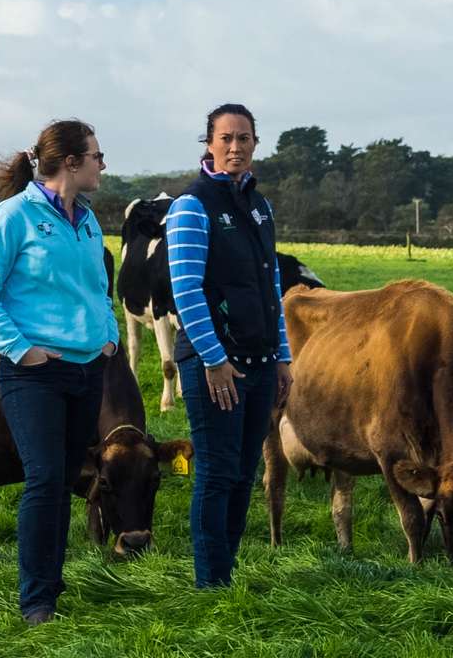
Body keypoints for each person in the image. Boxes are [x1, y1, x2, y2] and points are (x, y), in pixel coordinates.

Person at [0, 119, 119, 624]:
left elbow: (97, 287)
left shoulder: (88, 220)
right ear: (70, 163)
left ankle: (52, 584)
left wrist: (109, 333)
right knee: (46, 479)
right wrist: (19, 349)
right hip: (34, 374)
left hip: (86, 371)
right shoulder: (13, 217)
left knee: (66, 476)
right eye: (96, 155)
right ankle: (36, 602)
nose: (102, 163)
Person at [165, 102, 294, 588]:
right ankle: (210, 583)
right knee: (217, 474)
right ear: (209, 144)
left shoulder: (261, 206)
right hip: (214, 364)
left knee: (242, 474)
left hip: (260, 362)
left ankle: (227, 569)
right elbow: (187, 290)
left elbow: (271, 284)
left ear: (255, 143)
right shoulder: (192, 206)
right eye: (225, 138)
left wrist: (282, 356)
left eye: (244, 138)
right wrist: (214, 359)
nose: (235, 147)